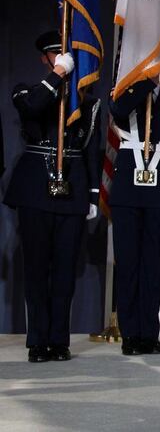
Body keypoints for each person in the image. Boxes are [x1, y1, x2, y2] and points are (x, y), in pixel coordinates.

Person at [3, 30, 101, 362]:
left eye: (64, 56)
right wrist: (57, 76)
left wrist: (90, 195)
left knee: (63, 269)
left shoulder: (87, 104)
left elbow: (90, 151)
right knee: (36, 267)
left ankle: (59, 340)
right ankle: (37, 340)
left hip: (71, 187)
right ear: (45, 58)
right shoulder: (25, 91)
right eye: (53, 55)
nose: (60, 59)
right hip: (35, 188)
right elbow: (33, 108)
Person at [107, 75, 160, 356]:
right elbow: (118, 112)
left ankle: (149, 334)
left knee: (152, 264)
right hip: (128, 189)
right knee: (128, 263)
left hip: (159, 189)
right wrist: (142, 83)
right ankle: (130, 335)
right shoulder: (122, 95)